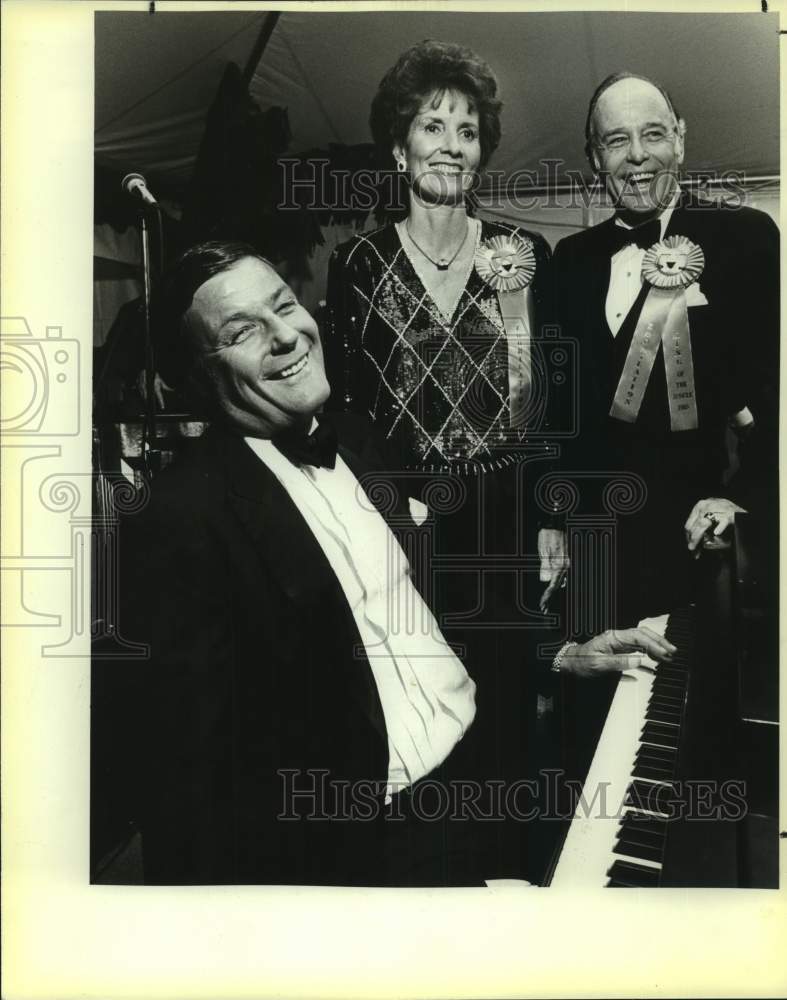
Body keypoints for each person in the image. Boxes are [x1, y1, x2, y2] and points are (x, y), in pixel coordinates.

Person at [102, 240, 676, 887]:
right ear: (196, 374)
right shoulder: (176, 516)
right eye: (242, 331)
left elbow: (430, 611)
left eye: (284, 306)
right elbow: (186, 780)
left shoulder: (356, 436)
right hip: (357, 844)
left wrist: (559, 652)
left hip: (482, 772)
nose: (285, 336)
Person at [324, 39, 569, 878]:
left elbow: (544, 406)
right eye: (432, 125)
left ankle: (514, 872)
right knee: (422, 701)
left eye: (466, 130)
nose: (450, 143)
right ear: (399, 146)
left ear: (481, 151)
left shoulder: (521, 254)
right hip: (410, 526)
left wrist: (547, 517)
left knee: (507, 696)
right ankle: (434, 879)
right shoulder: (357, 264)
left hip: (504, 516)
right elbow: (347, 410)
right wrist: (394, 501)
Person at [551, 71, 779, 624]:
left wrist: (743, 497)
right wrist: (552, 517)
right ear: (594, 157)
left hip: (704, 540)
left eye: (652, 134)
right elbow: (561, 413)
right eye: (615, 140)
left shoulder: (746, 237)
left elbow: (777, 396)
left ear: (680, 138)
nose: (637, 156)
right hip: (596, 557)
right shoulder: (569, 260)